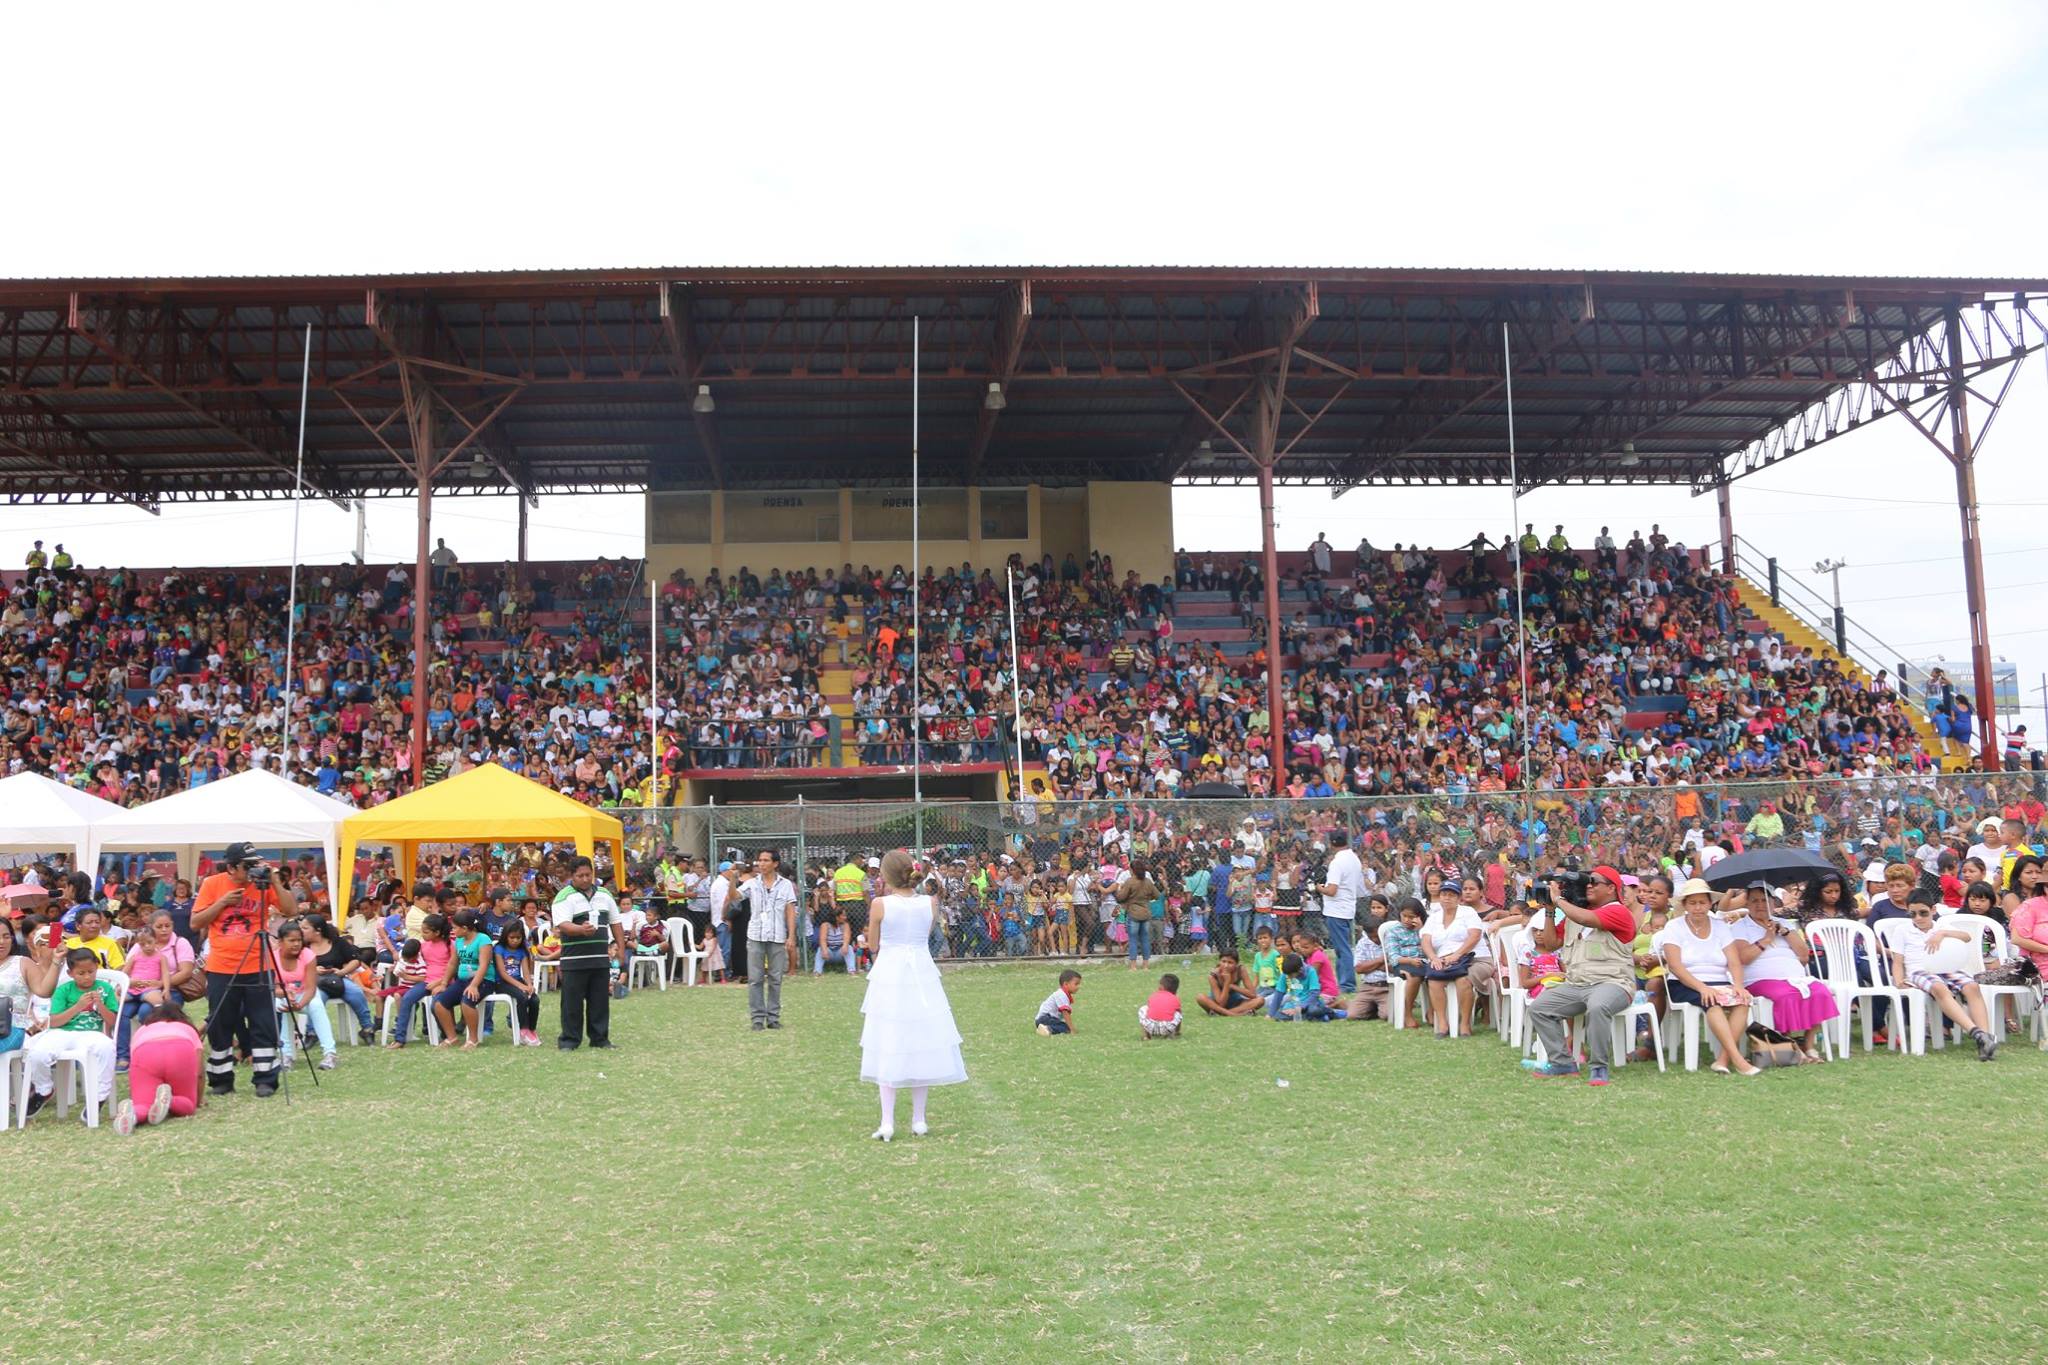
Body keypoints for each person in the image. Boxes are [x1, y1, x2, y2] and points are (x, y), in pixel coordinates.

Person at [859, 849, 967, 1140]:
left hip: (891, 973)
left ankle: (887, 1122)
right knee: (922, 1039)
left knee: (888, 1040)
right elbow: (924, 933)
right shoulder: (929, 903)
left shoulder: (880, 904)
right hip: (921, 972)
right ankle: (919, 1119)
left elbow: (872, 944)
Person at [192, 841, 295, 1097]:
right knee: (221, 1022)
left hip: (258, 965)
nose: (252, 870)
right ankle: (221, 1078)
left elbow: (291, 910)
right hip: (222, 966)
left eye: (255, 864)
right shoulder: (212, 884)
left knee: (263, 1021)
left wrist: (274, 881)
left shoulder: (261, 884)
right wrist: (222, 903)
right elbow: (196, 922)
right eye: (246, 866)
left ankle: (265, 1078)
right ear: (231, 867)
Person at [1522, 866, 1641, 1085]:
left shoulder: (1618, 911)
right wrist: (1549, 909)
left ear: (1611, 889)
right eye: (1586, 881)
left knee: (1597, 1005)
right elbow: (1550, 943)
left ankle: (1598, 1068)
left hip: (1613, 983)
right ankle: (1562, 1063)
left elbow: (1588, 919)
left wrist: (1559, 900)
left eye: (1594, 882)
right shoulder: (1573, 914)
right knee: (1540, 1008)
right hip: (1576, 984)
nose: (1588, 885)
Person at [1655, 878, 1762, 1076]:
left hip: (1720, 981)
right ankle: (1738, 1060)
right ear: (1685, 905)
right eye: (1693, 903)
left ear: (1710, 903)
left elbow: (1734, 962)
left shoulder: (1720, 926)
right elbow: (1676, 966)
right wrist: (1702, 987)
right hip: (1684, 982)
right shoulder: (1674, 927)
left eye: (1702, 902)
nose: (1698, 908)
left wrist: (1738, 984)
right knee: (1712, 1001)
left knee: (1742, 1001)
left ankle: (1722, 1059)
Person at [1730, 879, 1838, 1064]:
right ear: (1747, 903)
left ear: (1773, 903)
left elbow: (1804, 955)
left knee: (1820, 991)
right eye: (1754, 901)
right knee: (1785, 995)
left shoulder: (1782, 923)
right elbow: (1743, 958)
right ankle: (1790, 1047)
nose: (1760, 905)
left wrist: (1786, 933)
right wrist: (1766, 939)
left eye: (1764, 900)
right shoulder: (1739, 927)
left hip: (1793, 976)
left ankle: (1809, 1044)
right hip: (1760, 979)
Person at [1886, 902, 1999, 1060]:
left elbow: (1967, 937)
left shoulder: (1941, 925)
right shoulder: (1903, 930)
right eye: (1912, 914)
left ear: (1933, 910)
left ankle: (1986, 1040)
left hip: (1947, 968)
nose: (1918, 918)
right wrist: (1898, 982)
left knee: (1972, 986)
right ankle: (1977, 1034)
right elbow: (1897, 961)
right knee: (1939, 988)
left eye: (1923, 913)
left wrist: (1942, 933)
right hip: (1918, 971)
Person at [21, 949, 118, 1122]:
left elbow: (111, 1021)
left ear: (97, 968)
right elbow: (55, 1022)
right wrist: (78, 1006)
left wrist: (99, 1005)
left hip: (91, 1033)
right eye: (81, 973)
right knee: (37, 1053)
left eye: (91, 972)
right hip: (62, 1032)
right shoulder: (63, 990)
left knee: (107, 1048)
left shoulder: (106, 988)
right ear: (70, 973)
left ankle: (99, 1096)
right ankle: (44, 1089)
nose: (87, 977)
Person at [551, 857, 625, 1050]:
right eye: (580, 876)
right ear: (571, 876)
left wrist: (621, 949)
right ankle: (569, 1041)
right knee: (571, 1004)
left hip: (600, 958)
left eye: (588, 875)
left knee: (599, 1002)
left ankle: (600, 1039)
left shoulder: (605, 894)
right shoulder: (563, 897)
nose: (585, 879)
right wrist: (580, 929)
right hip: (574, 959)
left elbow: (615, 922)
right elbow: (563, 925)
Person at [115, 996, 204, 1135]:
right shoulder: (187, 1028)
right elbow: (199, 1073)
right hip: (180, 1049)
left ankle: (133, 1115)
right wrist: (198, 1100)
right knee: (187, 1103)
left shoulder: (143, 1029)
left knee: (143, 1104)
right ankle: (170, 1100)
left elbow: (135, 1064)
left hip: (145, 1051)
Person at [740, 849, 799, 1030]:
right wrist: (731, 881)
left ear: (775, 864)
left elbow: (790, 910)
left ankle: (773, 1018)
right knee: (755, 979)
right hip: (756, 935)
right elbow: (736, 896)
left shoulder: (786, 885)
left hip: (777, 936)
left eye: (766, 860)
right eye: (760, 860)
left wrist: (791, 935)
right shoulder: (751, 883)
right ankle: (757, 1019)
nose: (762, 864)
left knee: (775, 978)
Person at [272, 919, 341, 1071]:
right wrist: (283, 994)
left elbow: (311, 988)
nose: (296, 944)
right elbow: (271, 987)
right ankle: (286, 1055)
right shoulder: (272, 958)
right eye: (291, 940)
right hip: (283, 996)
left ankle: (330, 1054)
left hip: (305, 995)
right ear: (281, 942)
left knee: (317, 1005)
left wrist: (300, 1004)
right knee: (279, 1007)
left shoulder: (308, 955)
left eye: (299, 940)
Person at [1420, 879, 1482, 1037]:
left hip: (1470, 957)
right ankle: (1442, 1023)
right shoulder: (1434, 917)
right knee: (1433, 980)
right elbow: (1425, 940)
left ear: (1459, 898)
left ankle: (1465, 1023)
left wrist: (1457, 955)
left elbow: (1474, 936)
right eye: (1444, 894)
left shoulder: (1468, 913)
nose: (1447, 898)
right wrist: (1433, 957)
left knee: (1463, 980)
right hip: (1443, 959)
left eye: (1451, 895)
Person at [0, 917, 62, 1059]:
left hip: (11, 1028)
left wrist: (56, 960)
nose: (2, 942)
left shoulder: (23, 963)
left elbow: (44, 991)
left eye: (6, 936)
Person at [435, 910, 494, 1049]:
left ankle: (473, 1039)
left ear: (465, 928)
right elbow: (452, 963)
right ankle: (451, 1037)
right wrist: (444, 983)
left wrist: (474, 985)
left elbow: (484, 965)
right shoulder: (459, 941)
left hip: (483, 980)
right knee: (439, 1003)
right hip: (462, 981)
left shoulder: (483, 940)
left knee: (466, 1002)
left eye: (455, 927)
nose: (452, 930)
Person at [1319, 829, 1364, 992]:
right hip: (1348, 907)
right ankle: (1343, 982)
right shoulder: (1354, 859)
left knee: (1343, 948)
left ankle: (1347, 984)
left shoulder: (1337, 862)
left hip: (1336, 909)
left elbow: (1331, 890)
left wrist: (1319, 888)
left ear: (1331, 844)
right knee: (1341, 947)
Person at [488, 918, 542, 1045]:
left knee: (534, 999)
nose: (515, 941)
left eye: (518, 938)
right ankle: (523, 1030)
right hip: (501, 983)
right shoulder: (499, 949)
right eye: (512, 937)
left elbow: (526, 971)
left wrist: (529, 985)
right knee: (522, 997)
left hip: (519, 980)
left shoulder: (522, 951)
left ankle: (531, 1029)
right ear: (506, 935)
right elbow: (502, 973)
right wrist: (521, 986)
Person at [1116, 858, 1162, 969]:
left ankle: (1133, 966)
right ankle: (1146, 966)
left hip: (1133, 914)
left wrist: (1119, 890)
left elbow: (1121, 897)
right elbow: (1157, 895)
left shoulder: (1130, 882)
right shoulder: (1148, 882)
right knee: (1145, 940)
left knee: (1133, 940)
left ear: (1132, 870)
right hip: (1146, 913)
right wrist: (1147, 897)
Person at [1196, 950, 1263, 1016]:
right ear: (1219, 961)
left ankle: (1222, 1013)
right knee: (1200, 997)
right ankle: (1235, 1014)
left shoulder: (1240, 970)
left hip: (1236, 1003)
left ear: (1236, 964)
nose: (1226, 965)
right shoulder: (1213, 975)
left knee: (1260, 1000)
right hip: (1216, 1004)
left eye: (1230, 962)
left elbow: (1253, 994)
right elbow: (1221, 1003)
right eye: (1223, 961)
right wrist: (1227, 983)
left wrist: (1231, 985)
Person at [814, 907, 858, 976]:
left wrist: (845, 945)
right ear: (837, 917)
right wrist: (824, 950)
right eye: (843, 915)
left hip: (840, 953)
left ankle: (852, 971)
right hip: (828, 954)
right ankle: (817, 972)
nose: (845, 917)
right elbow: (822, 940)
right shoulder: (825, 925)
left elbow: (846, 938)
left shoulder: (845, 925)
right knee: (820, 949)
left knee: (849, 948)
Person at [1035, 969, 1080, 1035]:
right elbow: (1065, 1013)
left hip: (1043, 1019)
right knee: (1066, 1028)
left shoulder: (1063, 994)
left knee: (1064, 1026)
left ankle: (1043, 1028)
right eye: (1076, 984)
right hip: (1045, 1018)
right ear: (1066, 984)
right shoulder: (1061, 995)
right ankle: (1048, 1029)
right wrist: (1071, 1029)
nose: (1078, 987)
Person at [1140, 973, 1183, 1038]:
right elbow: (1179, 1016)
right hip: (1167, 1028)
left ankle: (1146, 1036)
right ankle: (1174, 1033)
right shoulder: (1175, 999)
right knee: (1178, 1013)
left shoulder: (1153, 996)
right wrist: (1177, 1030)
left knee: (1143, 1008)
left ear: (1161, 986)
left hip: (1151, 1028)